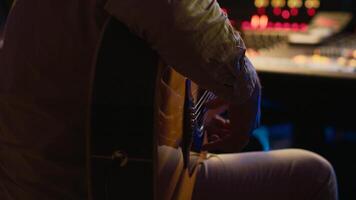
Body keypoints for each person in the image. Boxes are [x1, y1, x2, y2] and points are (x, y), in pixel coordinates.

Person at [0, 0, 337, 199]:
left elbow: (108, 85)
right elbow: (189, 20)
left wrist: (194, 118)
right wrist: (247, 94)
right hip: (84, 183)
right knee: (312, 175)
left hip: (60, 167)